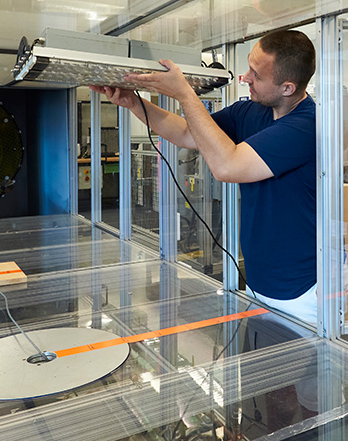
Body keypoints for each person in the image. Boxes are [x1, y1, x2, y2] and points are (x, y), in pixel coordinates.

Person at [92, 29, 317, 319]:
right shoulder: (251, 112)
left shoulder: (307, 125)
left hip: (302, 291)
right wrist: (134, 103)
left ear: (287, 88)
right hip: (261, 282)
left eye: (256, 75)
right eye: (248, 67)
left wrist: (185, 93)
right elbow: (188, 133)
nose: (245, 78)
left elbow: (227, 167)